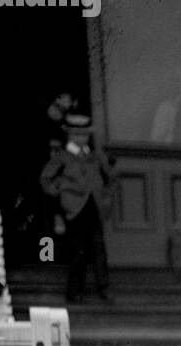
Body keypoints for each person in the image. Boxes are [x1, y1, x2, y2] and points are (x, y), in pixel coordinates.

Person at [39, 113, 114, 303]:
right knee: (78, 251)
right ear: (70, 136)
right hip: (73, 209)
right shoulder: (62, 157)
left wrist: (105, 196)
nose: (82, 138)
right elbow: (46, 179)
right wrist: (61, 190)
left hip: (93, 207)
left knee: (98, 248)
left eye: (85, 135)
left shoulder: (95, 156)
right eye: (77, 135)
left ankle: (104, 288)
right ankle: (74, 291)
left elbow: (110, 178)